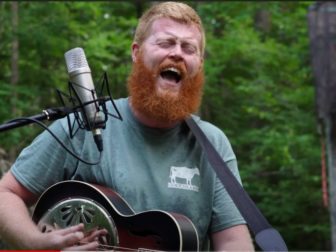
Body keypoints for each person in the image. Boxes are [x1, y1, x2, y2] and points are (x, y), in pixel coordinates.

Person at [0, 1, 254, 251]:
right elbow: (6, 194)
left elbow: (233, 240)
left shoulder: (212, 143)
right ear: (136, 52)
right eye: (165, 42)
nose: (177, 52)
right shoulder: (83, 126)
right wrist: (35, 243)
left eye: (189, 48)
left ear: (199, 64)